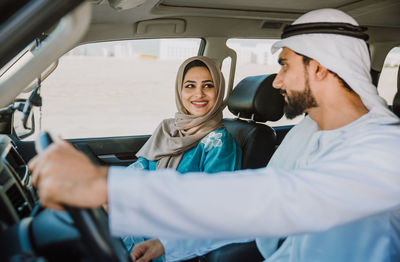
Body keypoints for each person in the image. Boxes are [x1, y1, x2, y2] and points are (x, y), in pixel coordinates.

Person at [29, 8, 400, 262]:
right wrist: (168, 244)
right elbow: (250, 214)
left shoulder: (385, 150)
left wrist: (107, 187)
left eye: (285, 65)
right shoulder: (308, 130)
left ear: (318, 68)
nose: (276, 80)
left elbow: (272, 198)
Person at [121, 56, 249, 261]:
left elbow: (210, 206)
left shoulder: (219, 142)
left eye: (208, 86)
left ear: (219, 93)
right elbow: (141, 166)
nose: (199, 93)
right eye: (190, 85)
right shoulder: (168, 128)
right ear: (179, 91)